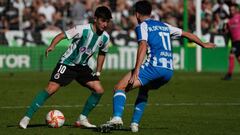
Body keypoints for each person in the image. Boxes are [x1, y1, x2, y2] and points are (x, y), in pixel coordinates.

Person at [106, 0, 216, 132]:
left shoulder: (142, 26)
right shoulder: (164, 25)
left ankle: (117, 118)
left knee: (120, 87)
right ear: (150, 12)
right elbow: (187, 34)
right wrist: (203, 44)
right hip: (168, 71)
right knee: (144, 89)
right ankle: (134, 124)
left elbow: (142, 45)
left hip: (153, 67)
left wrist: (136, 70)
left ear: (137, 14)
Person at [19, 6, 112, 129]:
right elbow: (62, 35)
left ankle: (82, 119)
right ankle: (26, 118)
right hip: (67, 64)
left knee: (99, 90)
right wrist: (52, 46)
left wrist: (98, 71)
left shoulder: (105, 37)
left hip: (82, 67)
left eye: (107, 21)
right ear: (95, 19)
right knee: (51, 88)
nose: (105, 24)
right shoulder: (82, 29)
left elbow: (102, 53)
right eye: (103, 21)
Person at [222, 3, 240, 80]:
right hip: (234, 41)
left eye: (233, 9)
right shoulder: (229, 21)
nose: (231, 11)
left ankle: (229, 75)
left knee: (231, 55)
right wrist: (225, 29)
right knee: (239, 58)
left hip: (239, 41)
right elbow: (227, 32)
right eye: (230, 10)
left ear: (236, 10)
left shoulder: (239, 17)